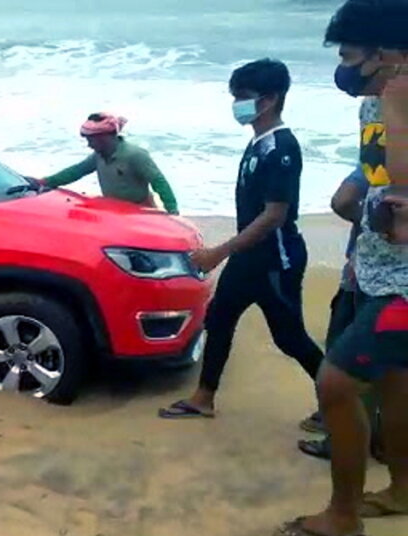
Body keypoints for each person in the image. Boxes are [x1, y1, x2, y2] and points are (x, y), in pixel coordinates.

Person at [278, 2, 408, 534]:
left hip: (404, 288)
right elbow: (381, 185)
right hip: (378, 270)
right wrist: (359, 214)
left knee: (336, 383)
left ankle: (343, 516)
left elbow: (402, 194)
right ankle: (402, 489)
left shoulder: (395, 100)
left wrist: (398, 103)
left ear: (388, 55)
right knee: (397, 385)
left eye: (352, 57)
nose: (345, 69)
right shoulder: (375, 104)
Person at [159, 59, 324, 425]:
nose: (237, 104)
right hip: (249, 258)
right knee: (218, 319)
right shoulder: (258, 143)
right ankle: (204, 398)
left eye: (243, 97)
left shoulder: (280, 147)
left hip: (274, 261)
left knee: (289, 337)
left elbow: (274, 216)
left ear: (269, 99)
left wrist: (218, 252)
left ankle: (339, 402)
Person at [297, 159, 382, 461]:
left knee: (342, 358)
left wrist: (372, 224)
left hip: (364, 276)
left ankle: (342, 438)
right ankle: (380, 439)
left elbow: (342, 200)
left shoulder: (380, 159)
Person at [38, 113, 179, 215]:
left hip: (140, 211)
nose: (89, 145)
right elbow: (76, 171)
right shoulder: (99, 156)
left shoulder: (135, 155)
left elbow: (158, 181)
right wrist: (45, 182)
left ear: (105, 137)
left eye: (91, 140)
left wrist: (172, 211)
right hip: (114, 211)